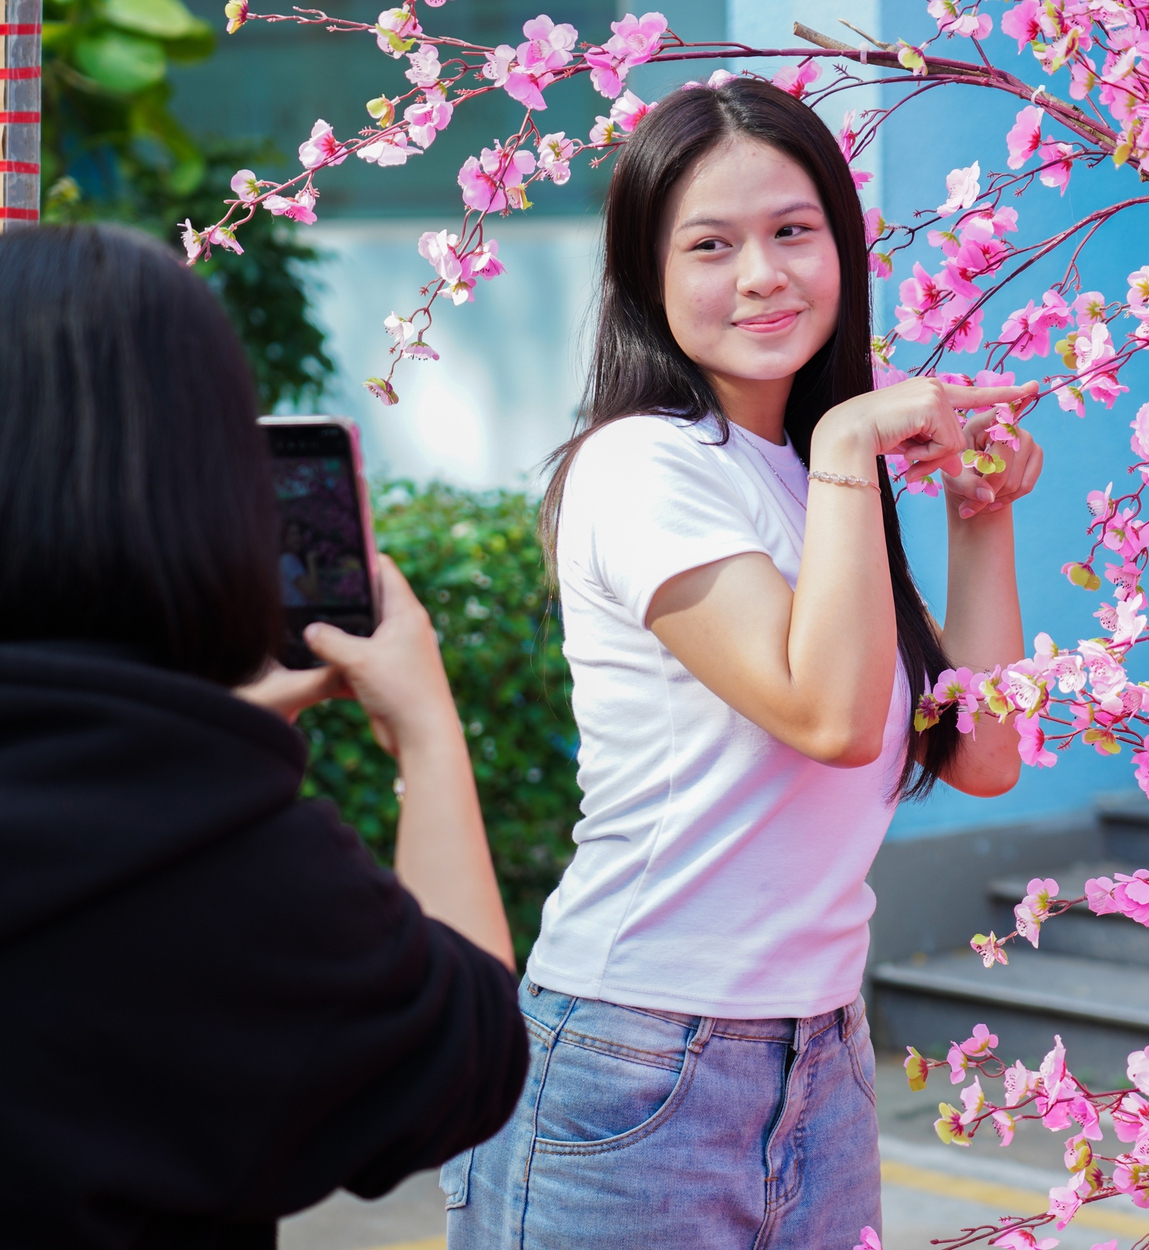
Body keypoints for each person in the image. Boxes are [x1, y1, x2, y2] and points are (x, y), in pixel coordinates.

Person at [0, 224, 527, 1249]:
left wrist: (184, 751)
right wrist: (424, 727)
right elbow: (463, 1057)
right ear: (204, 491)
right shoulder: (237, 877)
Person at [445, 79, 1045, 1249]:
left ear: (840, 248)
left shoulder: (802, 471)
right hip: (634, 1058)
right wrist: (842, 445)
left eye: (791, 232)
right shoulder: (641, 468)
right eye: (710, 245)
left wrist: (979, 519)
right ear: (646, 277)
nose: (761, 274)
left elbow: (981, 752)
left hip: (821, 1049)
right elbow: (825, 717)